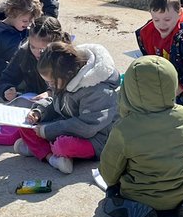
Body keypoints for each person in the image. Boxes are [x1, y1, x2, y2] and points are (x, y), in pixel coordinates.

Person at [99, 56, 183, 217]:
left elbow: (109, 173)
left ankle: (128, 207)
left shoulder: (124, 129)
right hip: (181, 191)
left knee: (111, 194)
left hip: (141, 197)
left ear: (130, 90)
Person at [7, 41, 119, 175]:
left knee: (63, 146)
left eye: (52, 82)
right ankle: (51, 157)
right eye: (47, 82)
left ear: (68, 74)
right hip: (67, 126)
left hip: (98, 138)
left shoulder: (99, 90)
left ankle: (41, 150)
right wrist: (38, 112)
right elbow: (56, 103)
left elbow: (87, 127)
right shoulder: (65, 79)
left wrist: (48, 131)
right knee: (25, 126)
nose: (50, 86)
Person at [0, 15, 67, 102]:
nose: (37, 52)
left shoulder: (66, 57)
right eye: (33, 47)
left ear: (55, 43)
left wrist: (50, 93)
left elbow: (70, 88)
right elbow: (6, 78)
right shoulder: (24, 51)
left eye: (42, 49)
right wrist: (6, 89)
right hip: (31, 100)